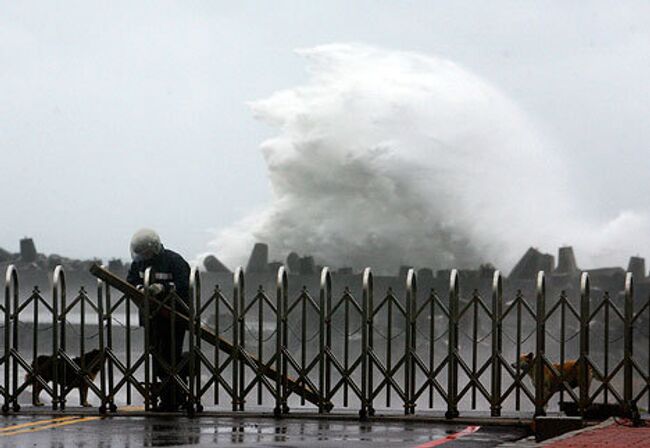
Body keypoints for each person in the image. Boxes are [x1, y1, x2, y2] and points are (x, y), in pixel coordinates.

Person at [126, 228, 190, 411]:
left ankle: (173, 399)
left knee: (170, 358)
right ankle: (171, 395)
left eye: (144, 252)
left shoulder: (174, 261)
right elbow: (129, 281)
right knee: (157, 359)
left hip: (173, 318)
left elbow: (185, 286)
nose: (142, 256)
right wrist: (139, 287)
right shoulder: (138, 264)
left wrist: (163, 288)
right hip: (151, 318)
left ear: (153, 248)